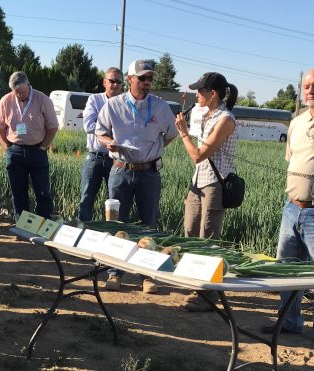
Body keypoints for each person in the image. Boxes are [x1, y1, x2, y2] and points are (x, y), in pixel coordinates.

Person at [260, 67, 314, 354]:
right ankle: (290, 321)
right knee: (287, 269)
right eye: (306, 86)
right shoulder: (297, 121)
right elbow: (292, 158)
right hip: (291, 208)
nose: (310, 91)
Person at [96, 60, 178, 293]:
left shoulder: (161, 107)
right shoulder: (114, 105)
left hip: (149, 174)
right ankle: (115, 273)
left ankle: (147, 277)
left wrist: (152, 152)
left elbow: (170, 134)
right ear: (130, 80)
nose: (146, 83)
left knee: (148, 227)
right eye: (142, 78)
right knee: (117, 226)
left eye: (149, 79)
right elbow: (100, 132)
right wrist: (109, 143)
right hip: (121, 170)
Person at [175, 72, 238, 311]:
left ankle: (208, 294)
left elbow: (198, 155)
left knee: (208, 237)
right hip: (198, 182)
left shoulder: (226, 119)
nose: (196, 95)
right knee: (190, 231)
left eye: (200, 91)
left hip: (215, 183)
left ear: (213, 94)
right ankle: (196, 283)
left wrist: (182, 132)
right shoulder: (205, 115)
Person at [0, 71, 58, 222]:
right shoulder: (6, 100)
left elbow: (53, 126)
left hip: (37, 150)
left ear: (28, 85)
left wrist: (43, 147)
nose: (19, 95)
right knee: (18, 192)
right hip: (15, 151)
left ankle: (43, 226)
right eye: (16, 92)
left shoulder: (42, 99)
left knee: (42, 192)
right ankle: (22, 226)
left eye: (21, 92)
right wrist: (6, 146)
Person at [78, 67, 123, 221]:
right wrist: (113, 130)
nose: (115, 84)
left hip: (116, 160)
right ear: (105, 82)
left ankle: (112, 236)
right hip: (95, 158)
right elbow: (88, 126)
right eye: (112, 81)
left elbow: (128, 132)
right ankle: (83, 232)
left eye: (118, 82)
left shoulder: (124, 103)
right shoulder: (94, 100)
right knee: (86, 199)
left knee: (114, 203)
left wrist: (103, 128)